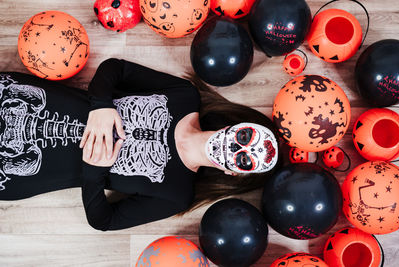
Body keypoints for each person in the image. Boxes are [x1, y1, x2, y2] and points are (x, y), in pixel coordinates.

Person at [0, 58, 280, 231]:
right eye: (244, 138)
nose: (234, 148)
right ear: (236, 126)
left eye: (244, 160)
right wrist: (100, 106)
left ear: (235, 173)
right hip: (19, 101)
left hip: (19, 167)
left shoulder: (176, 194)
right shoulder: (184, 96)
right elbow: (115, 69)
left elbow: (104, 221)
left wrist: (94, 171)